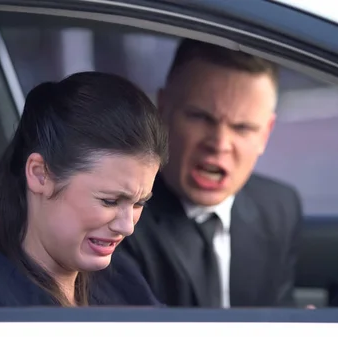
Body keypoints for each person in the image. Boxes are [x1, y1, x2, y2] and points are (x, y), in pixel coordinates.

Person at [0, 71, 169, 307]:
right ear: (40, 174)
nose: (127, 227)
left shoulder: (119, 277)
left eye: (139, 204)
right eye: (110, 201)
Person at [119, 39, 303, 308]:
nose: (219, 144)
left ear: (266, 134)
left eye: (242, 128)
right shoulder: (120, 221)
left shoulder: (279, 208)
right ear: (162, 110)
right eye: (201, 117)